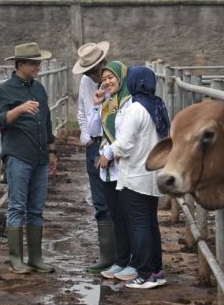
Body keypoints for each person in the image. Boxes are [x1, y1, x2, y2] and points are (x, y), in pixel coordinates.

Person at [0, 42, 57, 274]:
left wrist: (52, 151)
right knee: (17, 206)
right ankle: (15, 258)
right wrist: (19, 109)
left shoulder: (38, 88)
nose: (38, 66)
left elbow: (47, 120)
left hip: (40, 155)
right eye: (33, 63)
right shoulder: (6, 89)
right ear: (20, 65)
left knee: (36, 208)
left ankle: (36, 258)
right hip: (19, 154)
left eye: (38, 62)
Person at [108, 66, 170, 289]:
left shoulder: (135, 108)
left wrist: (110, 153)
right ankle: (156, 270)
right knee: (150, 223)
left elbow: (124, 144)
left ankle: (144, 273)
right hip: (153, 174)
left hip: (135, 174)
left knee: (140, 224)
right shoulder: (158, 105)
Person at [88, 61, 137, 281]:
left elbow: (126, 136)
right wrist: (97, 105)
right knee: (117, 216)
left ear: (121, 78)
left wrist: (108, 154)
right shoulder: (108, 103)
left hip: (123, 167)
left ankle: (135, 262)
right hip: (108, 171)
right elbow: (92, 131)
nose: (107, 82)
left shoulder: (130, 103)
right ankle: (121, 260)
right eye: (104, 79)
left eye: (111, 78)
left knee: (129, 217)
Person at [72, 41, 115, 273]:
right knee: (100, 201)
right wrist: (86, 136)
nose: (93, 75)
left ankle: (123, 256)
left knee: (119, 197)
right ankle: (107, 256)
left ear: (103, 63)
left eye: (95, 69)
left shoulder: (116, 80)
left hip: (114, 142)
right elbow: (81, 110)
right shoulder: (85, 82)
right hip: (95, 142)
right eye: (88, 71)